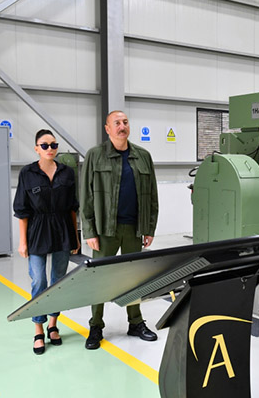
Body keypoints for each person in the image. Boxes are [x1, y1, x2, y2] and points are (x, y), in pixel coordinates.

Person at [80, 110, 159, 350]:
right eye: (117, 123)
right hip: (105, 230)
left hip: (134, 228)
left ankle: (135, 322)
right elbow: (85, 196)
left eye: (125, 122)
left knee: (134, 279)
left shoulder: (143, 156)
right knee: (100, 279)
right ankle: (96, 325)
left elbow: (152, 195)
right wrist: (89, 231)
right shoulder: (95, 155)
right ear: (107, 129)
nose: (122, 126)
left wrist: (149, 227)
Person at [13, 129, 80, 355]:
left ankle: (53, 324)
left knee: (58, 280)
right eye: (44, 145)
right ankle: (38, 329)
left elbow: (72, 208)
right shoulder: (28, 173)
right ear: (36, 148)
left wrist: (75, 237)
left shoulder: (67, 172)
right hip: (37, 230)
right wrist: (23, 242)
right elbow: (22, 210)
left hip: (62, 229)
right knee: (39, 280)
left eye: (53, 145)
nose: (50, 149)